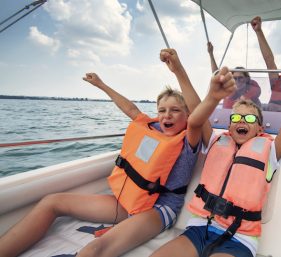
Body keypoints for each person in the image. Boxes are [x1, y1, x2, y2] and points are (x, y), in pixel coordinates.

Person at [0, 48, 210, 257]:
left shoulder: (189, 139)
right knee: (51, 201)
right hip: (130, 200)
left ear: (188, 114)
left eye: (175, 110)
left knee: (93, 250)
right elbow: (130, 109)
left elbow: (198, 117)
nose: (167, 115)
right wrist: (101, 85)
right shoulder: (152, 129)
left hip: (159, 208)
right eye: (162, 110)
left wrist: (178, 70)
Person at [150, 49, 281, 257]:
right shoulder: (216, 141)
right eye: (236, 118)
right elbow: (196, 108)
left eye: (249, 119)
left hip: (239, 238)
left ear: (260, 128)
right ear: (229, 127)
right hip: (198, 229)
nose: (242, 121)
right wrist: (178, 70)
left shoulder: (270, 151)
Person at [207, 42, 262, 109]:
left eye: (240, 78)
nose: (237, 80)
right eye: (235, 78)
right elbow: (216, 76)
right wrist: (211, 54)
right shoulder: (228, 88)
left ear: (246, 79)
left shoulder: (253, 89)